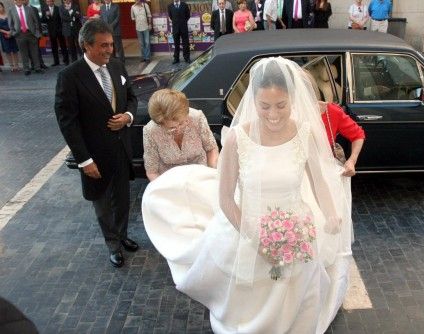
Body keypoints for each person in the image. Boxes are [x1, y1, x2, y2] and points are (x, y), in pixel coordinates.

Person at [142, 57, 354, 333]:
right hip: (246, 226)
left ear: (293, 100)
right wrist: (255, 237)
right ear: (253, 102)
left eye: (281, 105)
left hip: (296, 226)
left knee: (298, 287)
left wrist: (330, 214)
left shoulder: (305, 134)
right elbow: (226, 198)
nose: (274, 114)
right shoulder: (237, 138)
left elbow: (319, 182)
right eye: (264, 106)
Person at [54, 19, 138, 268]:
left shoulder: (117, 67)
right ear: (85, 46)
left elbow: (131, 98)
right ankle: (112, 244)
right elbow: (67, 122)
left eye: (111, 44)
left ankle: (122, 235)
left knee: (122, 199)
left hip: (121, 149)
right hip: (94, 156)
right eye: (102, 46)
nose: (108, 50)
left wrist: (128, 117)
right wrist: (84, 160)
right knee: (102, 205)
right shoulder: (69, 77)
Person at [143, 89, 219, 181]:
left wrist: (211, 173)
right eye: (171, 128)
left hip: (201, 176)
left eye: (181, 123)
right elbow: (152, 171)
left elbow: (211, 148)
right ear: (160, 124)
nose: (178, 129)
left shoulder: (197, 117)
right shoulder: (150, 131)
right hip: (171, 181)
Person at [7, 0, 42, 75]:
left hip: (31, 33)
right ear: (14, 1)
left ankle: (37, 68)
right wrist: (13, 33)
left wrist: (36, 32)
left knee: (35, 52)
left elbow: (36, 21)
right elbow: (10, 24)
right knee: (24, 53)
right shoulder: (11, 10)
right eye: (17, 0)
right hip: (19, 34)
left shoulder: (29, 9)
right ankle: (26, 69)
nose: (19, 1)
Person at [41, 0, 69, 66]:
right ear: (46, 2)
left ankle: (66, 60)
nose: (49, 3)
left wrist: (61, 28)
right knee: (54, 47)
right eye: (48, 1)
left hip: (59, 30)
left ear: (53, 2)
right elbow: (42, 20)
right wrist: (47, 16)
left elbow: (61, 19)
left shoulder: (58, 8)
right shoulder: (44, 9)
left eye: (50, 1)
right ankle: (56, 62)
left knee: (63, 45)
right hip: (51, 31)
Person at [0, 1, 20, 71]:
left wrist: (11, 32)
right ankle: (11, 66)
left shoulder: (9, 14)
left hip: (12, 34)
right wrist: (6, 32)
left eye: (0, 7)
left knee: (15, 50)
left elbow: (14, 23)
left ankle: (16, 65)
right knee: (8, 51)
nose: (0, 8)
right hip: (3, 36)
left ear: (3, 7)